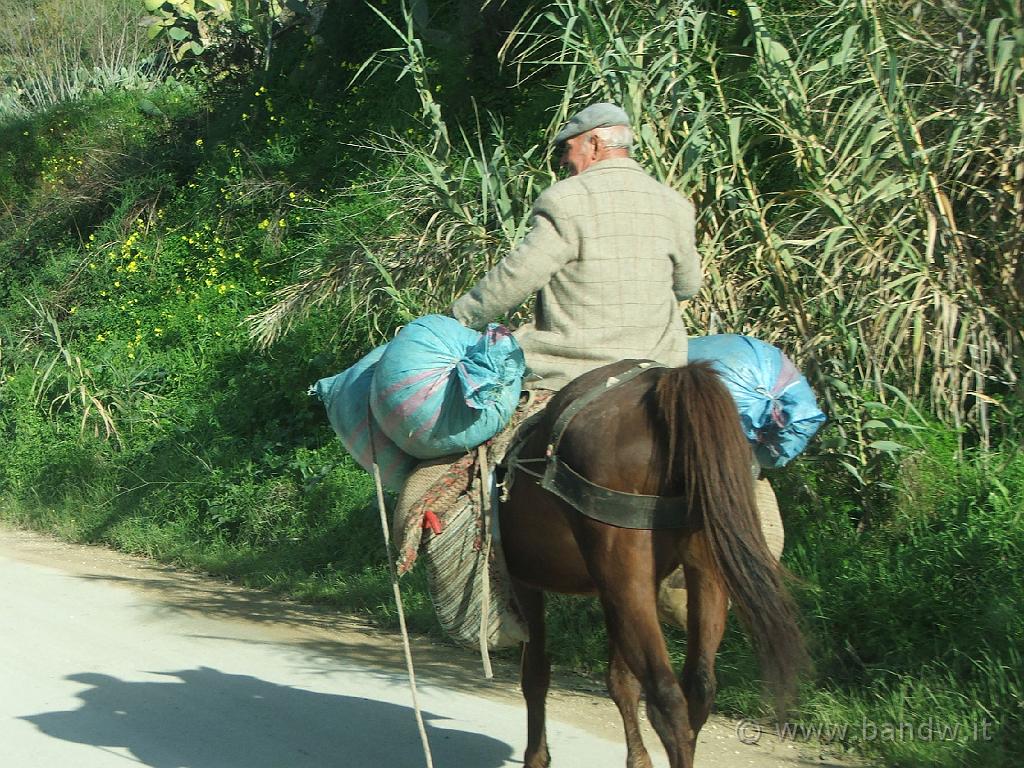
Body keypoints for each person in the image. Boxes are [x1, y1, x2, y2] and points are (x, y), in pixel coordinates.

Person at [450, 103, 702, 391]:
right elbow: (687, 286)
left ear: (593, 144)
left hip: (574, 368)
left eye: (567, 148)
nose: (562, 160)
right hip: (659, 368)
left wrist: (460, 317)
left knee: (489, 423)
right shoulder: (675, 204)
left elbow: (518, 276)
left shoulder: (566, 200)